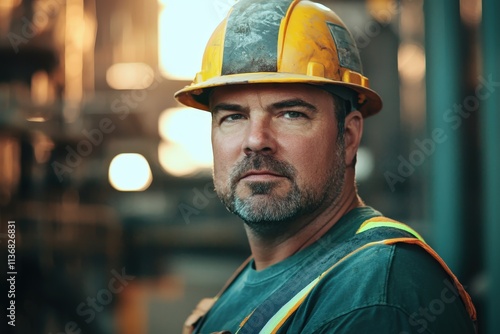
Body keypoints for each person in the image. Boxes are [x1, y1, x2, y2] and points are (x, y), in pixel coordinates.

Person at [174, 0, 478, 333]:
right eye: (234, 116)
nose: (255, 140)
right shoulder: (252, 281)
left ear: (347, 137)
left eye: (291, 114)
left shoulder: (375, 294)